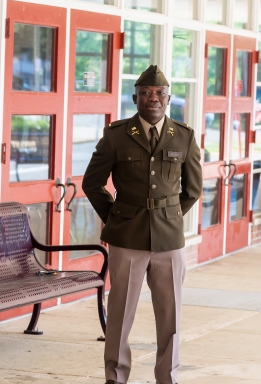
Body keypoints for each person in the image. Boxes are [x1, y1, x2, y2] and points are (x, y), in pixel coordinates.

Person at [82, 65, 202, 384]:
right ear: (135, 98)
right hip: (127, 237)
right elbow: (92, 183)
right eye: (146, 94)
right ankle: (116, 378)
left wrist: (170, 216)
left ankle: (168, 377)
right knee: (120, 314)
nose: (153, 98)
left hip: (169, 240)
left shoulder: (185, 137)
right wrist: (115, 217)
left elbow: (193, 190)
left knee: (170, 316)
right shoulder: (116, 135)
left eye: (160, 93)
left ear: (168, 99)